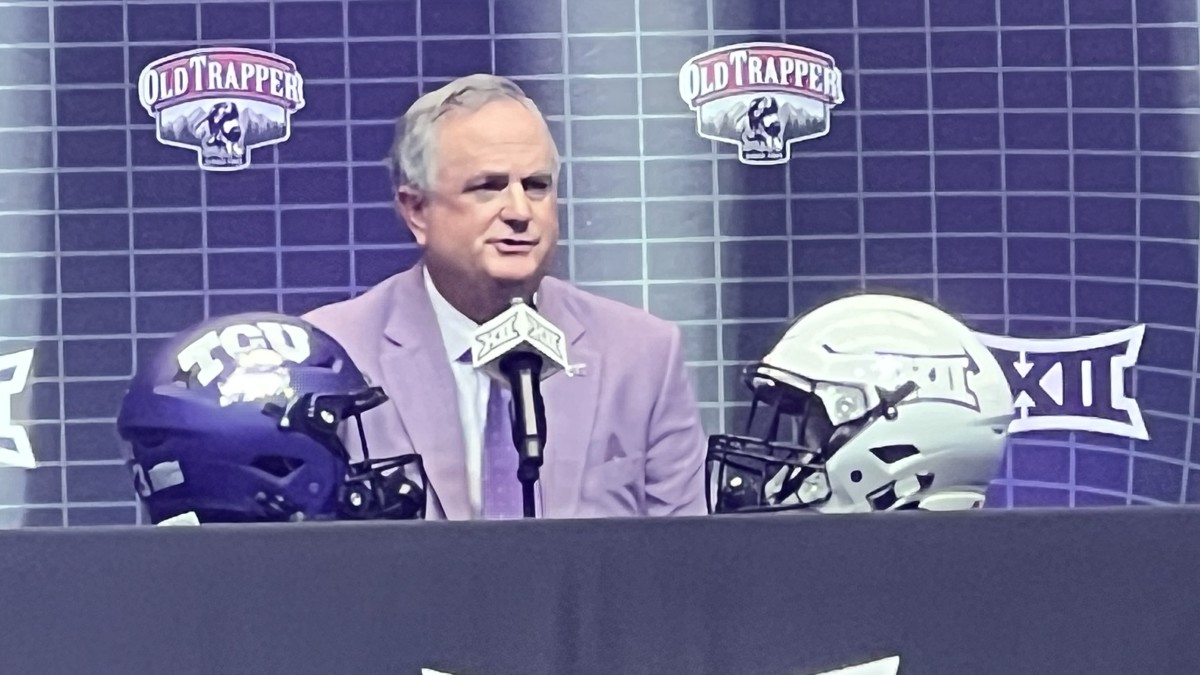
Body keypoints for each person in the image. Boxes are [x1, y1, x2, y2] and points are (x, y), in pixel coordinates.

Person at [303, 74, 707, 520]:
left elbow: (686, 565)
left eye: (536, 185)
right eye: (488, 187)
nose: (519, 212)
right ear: (416, 210)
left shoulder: (642, 356)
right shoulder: (334, 355)